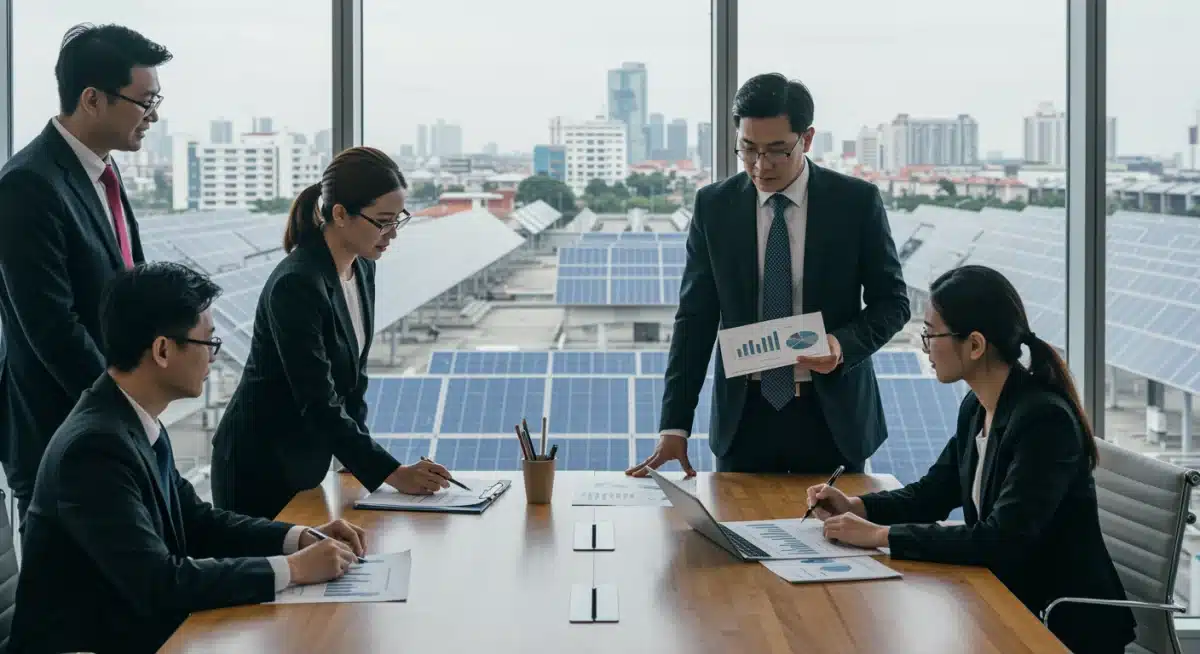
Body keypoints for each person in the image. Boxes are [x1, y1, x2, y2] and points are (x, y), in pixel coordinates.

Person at [7, 262, 369, 654]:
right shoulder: (93, 449)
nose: (214, 357)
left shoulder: (128, 419)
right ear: (163, 350)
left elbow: (196, 522)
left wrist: (296, 538)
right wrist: (294, 571)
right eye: (207, 343)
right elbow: (158, 583)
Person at [806, 265, 1136, 654]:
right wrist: (857, 506)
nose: (923, 346)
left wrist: (879, 536)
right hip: (1005, 601)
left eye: (931, 334)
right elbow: (932, 493)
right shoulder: (978, 407)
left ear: (975, 345)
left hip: (1057, 626)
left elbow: (1001, 539)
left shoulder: (1044, 421)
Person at [628, 73, 909, 477]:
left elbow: (893, 302)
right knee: (735, 535)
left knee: (829, 538)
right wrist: (675, 424)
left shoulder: (855, 202)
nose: (761, 166)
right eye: (748, 149)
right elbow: (695, 318)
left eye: (777, 150)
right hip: (744, 418)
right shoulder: (714, 206)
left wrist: (841, 344)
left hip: (831, 415)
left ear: (807, 139)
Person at [211, 147, 451, 520]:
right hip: (260, 467)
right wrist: (392, 472)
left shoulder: (362, 268)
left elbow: (353, 380)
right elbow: (317, 399)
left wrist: (357, 464)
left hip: (305, 464)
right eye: (382, 222)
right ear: (340, 214)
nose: (391, 235)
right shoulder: (297, 284)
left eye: (398, 220)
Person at [0, 24, 169, 522]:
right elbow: (54, 330)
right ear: (92, 99)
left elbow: (127, 291)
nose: (153, 116)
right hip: (62, 437)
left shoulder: (103, 170)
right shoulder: (26, 185)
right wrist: (126, 412)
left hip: (111, 427)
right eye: (144, 102)